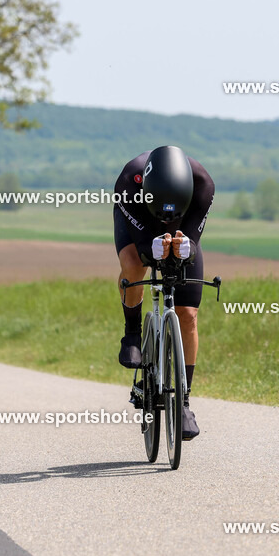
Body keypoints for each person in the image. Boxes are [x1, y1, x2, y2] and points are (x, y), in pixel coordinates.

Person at [113, 146, 214, 440]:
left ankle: (183, 402)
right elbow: (141, 242)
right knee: (133, 265)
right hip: (138, 221)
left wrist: (188, 247)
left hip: (182, 223)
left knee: (188, 314)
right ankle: (132, 332)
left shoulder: (203, 184)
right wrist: (148, 247)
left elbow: (193, 238)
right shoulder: (128, 181)